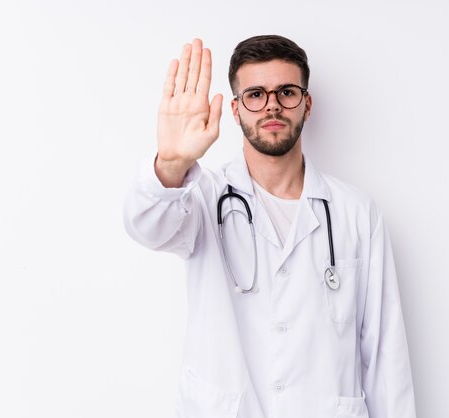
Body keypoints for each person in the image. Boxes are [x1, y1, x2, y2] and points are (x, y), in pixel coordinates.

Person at [124, 35, 416, 418]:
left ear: (307, 104)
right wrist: (173, 163)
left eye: (287, 92)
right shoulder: (202, 196)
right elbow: (146, 225)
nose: (272, 105)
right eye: (256, 94)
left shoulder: (356, 213)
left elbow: (385, 354)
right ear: (236, 109)